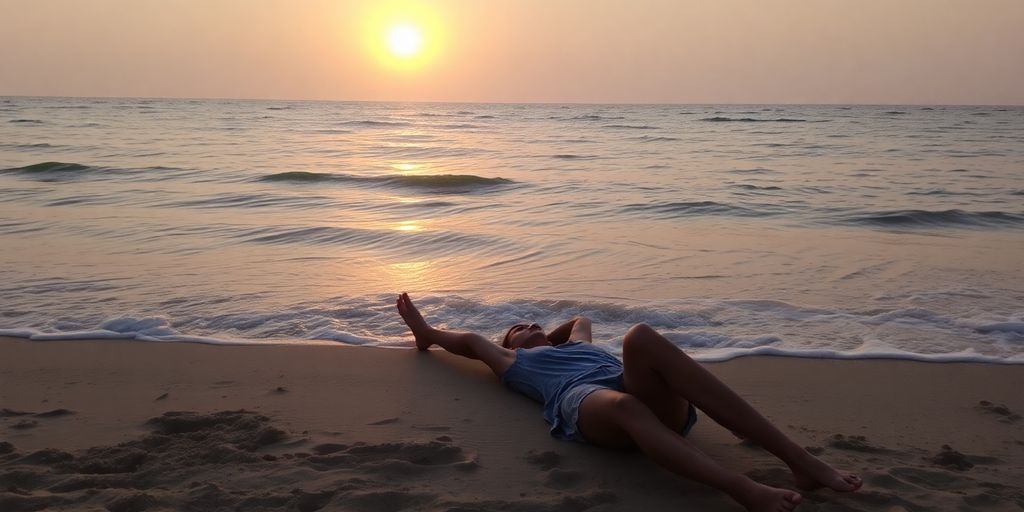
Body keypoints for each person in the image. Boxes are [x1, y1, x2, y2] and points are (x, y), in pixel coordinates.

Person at [395, 293, 861, 512]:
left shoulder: (576, 343)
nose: (529, 323)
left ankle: (801, 462)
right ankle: (740, 489)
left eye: (531, 319)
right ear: (510, 344)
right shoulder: (510, 361)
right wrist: (423, 330)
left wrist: (547, 335)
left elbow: (581, 317)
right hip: (583, 402)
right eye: (518, 325)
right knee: (624, 407)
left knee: (639, 336)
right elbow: (458, 339)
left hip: (623, 383)